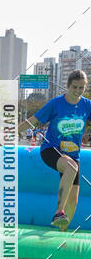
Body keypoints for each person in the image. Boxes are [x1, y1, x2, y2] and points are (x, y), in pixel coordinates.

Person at [27, 70, 91, 231]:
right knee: (71, 167)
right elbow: (32, 121)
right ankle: (59, 212)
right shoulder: (55, 103)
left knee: (73, 200)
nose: (77, 91)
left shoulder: (87, 105)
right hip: (51, 149)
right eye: (74, 87)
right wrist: (9, 133)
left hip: (73, 155)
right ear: (68, 86)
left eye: (81, 88)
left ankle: (62, 232)